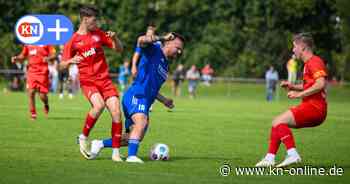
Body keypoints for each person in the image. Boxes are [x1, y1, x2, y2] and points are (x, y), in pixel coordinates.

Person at [88, 32, 185, 163]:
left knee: (133, 137)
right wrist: (161, 38)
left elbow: (153, 89)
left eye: (180, 50)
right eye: (177, 47)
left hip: (145, 99)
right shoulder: (154, 49)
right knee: (141, 122)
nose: (178, 52)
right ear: (168, 42)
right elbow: (140, 40)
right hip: (136, 95)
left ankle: (99, 144)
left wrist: (164, 100)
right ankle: (131, 156)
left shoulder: (166, 66)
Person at [60, 5, 124, 162]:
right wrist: (70, 61)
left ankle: (116, 153)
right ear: (85, 19)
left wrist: (115, 38)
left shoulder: (98, 35)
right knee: (99, 105)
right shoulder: (73, 41)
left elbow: (119, 50)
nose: (97, 23)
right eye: (94, 20)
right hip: (88, 81)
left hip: (105, 80)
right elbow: (61, 65)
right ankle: (83, 137)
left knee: (116, 111)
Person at [256, 33, 328, 167]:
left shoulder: (314, 61)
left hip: (315, 108)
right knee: (276, 124)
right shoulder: (307, 64)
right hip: (312, 106)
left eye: (294, 47)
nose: (293, 50)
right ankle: (269, 158)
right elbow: (310, 85)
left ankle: (292, 154)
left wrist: (298, 95)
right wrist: (292, 86)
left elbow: (320, 84)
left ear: (303, 48)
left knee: (278, 122)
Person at [11, 44, 56, 120]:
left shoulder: (47, 42)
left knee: (42, 96)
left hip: (43, 72)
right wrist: (16, 58)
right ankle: (33, 114)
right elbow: (23, 55)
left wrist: (48, 58)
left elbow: (54, 55)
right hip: (31, 72)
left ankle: (46, 103)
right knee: (31, 92)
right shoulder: (28, 43)